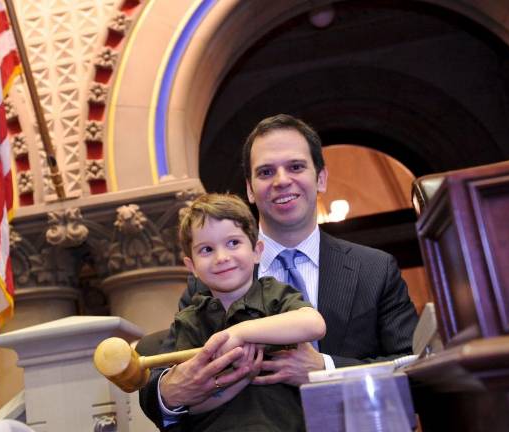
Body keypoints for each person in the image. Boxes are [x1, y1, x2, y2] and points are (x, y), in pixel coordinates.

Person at [139, 114, 418, 428]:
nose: (281, 180)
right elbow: (160, 393)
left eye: (296, 167)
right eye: (266, 172)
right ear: (250, 189)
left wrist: (325, 369)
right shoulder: (208, 280)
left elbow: (416, 371)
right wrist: (175, 392)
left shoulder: (375, 270)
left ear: (321, 178)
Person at [167, 192, 326, 431]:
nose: (222, 257)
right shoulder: (190, 320)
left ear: (257, 251)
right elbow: (192, 404)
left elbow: (314, 324)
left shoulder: (273, 294)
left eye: (233, 243)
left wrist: (240, 333)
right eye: (207, 249)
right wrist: (239, 379)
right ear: (192, 267)